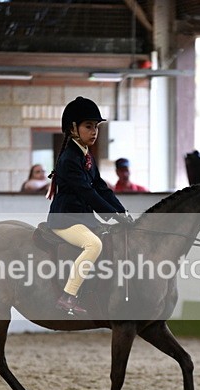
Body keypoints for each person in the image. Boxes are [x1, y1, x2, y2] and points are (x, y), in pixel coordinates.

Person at [47, 96, 133, 316]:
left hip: (82, 218)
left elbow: (101, 187)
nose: (94, 131)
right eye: (88, 126)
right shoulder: (69, 159)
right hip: (65, 220)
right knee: (93, 245)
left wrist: (121, 212)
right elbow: (87, 192)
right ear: (73, 128)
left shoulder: (86, 156)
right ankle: (68, 295)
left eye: (96, 127)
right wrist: (112, 214)